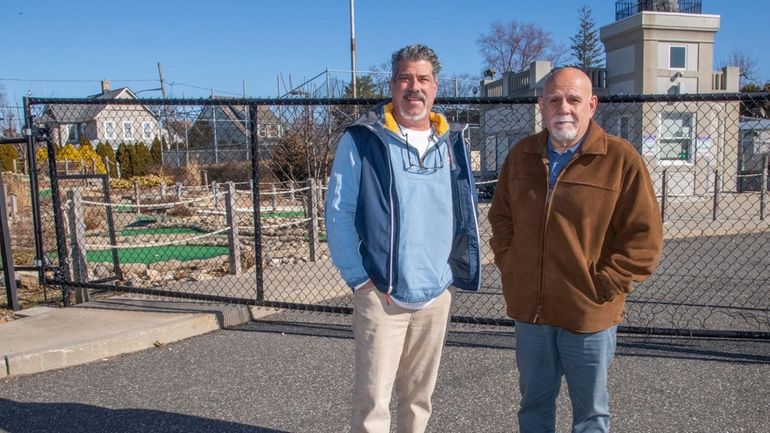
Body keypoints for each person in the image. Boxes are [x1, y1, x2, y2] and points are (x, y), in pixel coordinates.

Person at [488, 67, 664, 433]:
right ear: (541, 105)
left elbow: (644, 238)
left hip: (588, 314)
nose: (562, 108)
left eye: (573, 99)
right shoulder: (521, 155)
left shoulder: (620, 160)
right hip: (531, 315)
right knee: (533, 408)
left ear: (592, 105)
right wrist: (511, 264)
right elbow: (501, 217)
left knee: (590, 416)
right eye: (553, 99)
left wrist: (602, 285)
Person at [325, 43, 480, 433]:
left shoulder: (453, 142)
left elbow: (464, 209)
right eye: (406, 78)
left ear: (435, 86)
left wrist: (449, 275)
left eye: (423, 78)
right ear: (392, 85)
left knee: (418, 400)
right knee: (373, 401)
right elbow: (338, 212)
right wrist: (360, 280)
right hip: (382, 294)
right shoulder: (362, 140)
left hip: (436, 294)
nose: (415, 87)